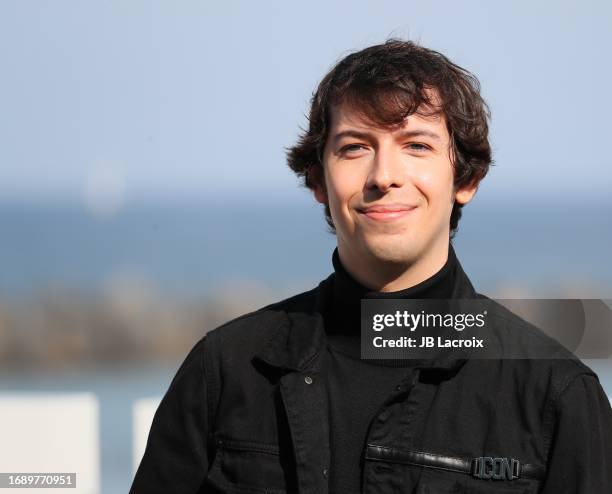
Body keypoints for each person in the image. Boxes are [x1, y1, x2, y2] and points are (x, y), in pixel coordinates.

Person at [130, 39, 612, 493]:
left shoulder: (555, 393)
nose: (384, 176)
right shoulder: (226, 370)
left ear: (466, 178)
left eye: (417, 146)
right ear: (318, 180)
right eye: (355, 147)